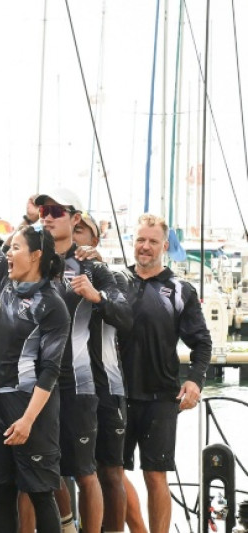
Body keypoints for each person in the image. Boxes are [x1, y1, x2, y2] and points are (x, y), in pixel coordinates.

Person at [0, 159, 70, 533]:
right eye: (7, 248)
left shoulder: (52, 304)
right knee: (2, 491)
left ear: (37, 256)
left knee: (41, 493)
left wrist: (27, 420)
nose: (7, 253)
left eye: (15, 248)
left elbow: (50, 370)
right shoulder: (5, 281)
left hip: (31, 405)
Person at [31, 188, 132, 533]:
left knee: (101, 471)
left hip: (89, 382)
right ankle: (68, 526)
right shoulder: (34, 263)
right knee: (48, 468)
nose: (46, 215)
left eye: (55, 210)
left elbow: (126, 315)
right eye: (43, 209)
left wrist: (97, 294)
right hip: (42, 383)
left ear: (75, 219)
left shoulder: (93, 266)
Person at [122, 213, 212, 533]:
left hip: (161, 397)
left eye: (152, 241)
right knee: (110, 472)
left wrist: (195, 380)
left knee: (155, 475)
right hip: (118, 396)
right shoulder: (117, 282)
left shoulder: (179, 290)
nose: (145, 247)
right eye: (140, 240)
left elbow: (202, 343)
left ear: (163, 246)